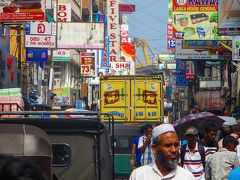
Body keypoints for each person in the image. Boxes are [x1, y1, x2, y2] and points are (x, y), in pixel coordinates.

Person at [129, 124, 195, 180]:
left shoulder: (187, 177)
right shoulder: (138, 176)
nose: (174, 150)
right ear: (154, 149)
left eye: (176, 145)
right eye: (168, 145)